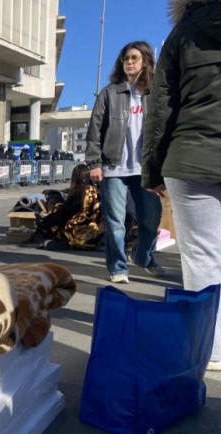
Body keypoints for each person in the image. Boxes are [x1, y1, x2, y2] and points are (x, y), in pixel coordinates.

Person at [141, 0, 221, 371]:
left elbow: (161, 107)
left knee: (201, 254)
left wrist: (152, 170)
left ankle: (210, 349)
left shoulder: (182, 33)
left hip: (190, 154)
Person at [85, 40, 163, 284]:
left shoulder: (156, 93)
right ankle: (118, 267)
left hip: (146, 168)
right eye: (125, 58)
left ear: (146, 61)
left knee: (151, 219)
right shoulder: (110, 92)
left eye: (134, 58)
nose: (129, 62)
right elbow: (95, 129)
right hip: (113, 167)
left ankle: (142, 255)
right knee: (116, 221)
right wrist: (94, 162)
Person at [20, 163, 104, 250]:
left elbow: (66, 213)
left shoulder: (79, 191)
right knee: (58, 210)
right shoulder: (94, 190)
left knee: (57, 210)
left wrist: (47, 220)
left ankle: (41, 234)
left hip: (79, 231)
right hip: (97, 231)